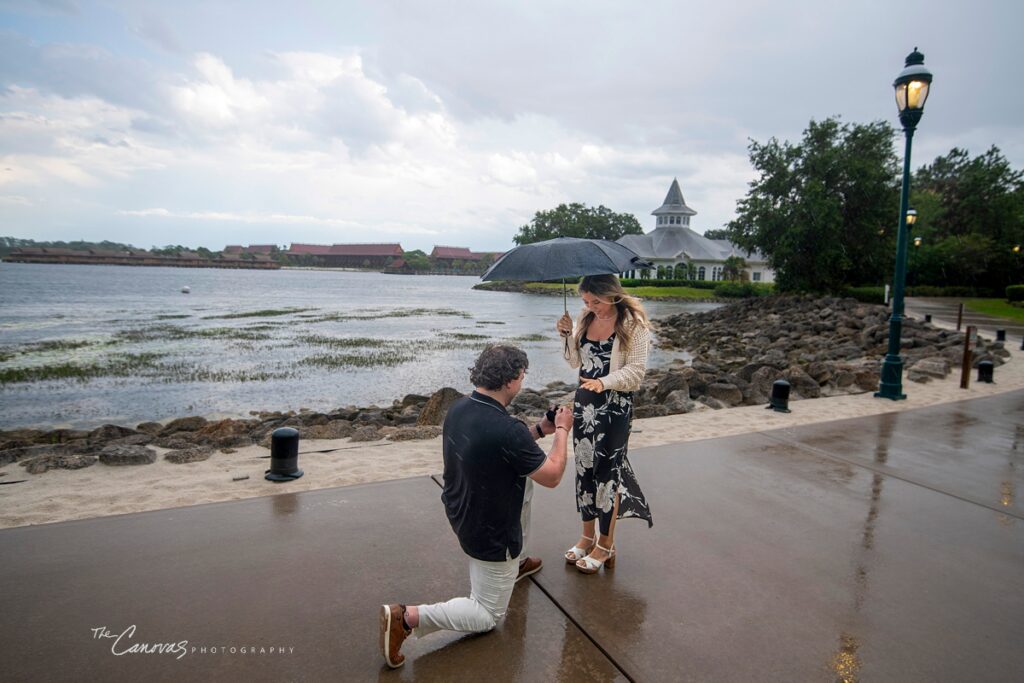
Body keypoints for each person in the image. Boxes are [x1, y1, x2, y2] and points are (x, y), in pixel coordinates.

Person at [380, 344, 573, 669]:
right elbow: (552, 475)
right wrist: (563, 430)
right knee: (486, 615)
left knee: (524, 480)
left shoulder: (460, 408)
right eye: (522, 377)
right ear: (511, 380)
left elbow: (501, 446)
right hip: (490, 535)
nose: (522, 383)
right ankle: (408, 618)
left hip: (461, 508)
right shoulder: (507, 430)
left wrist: (540, 430)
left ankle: (518, 562)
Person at [556, 274, 653, 574]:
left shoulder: (633, 325)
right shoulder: (585, 319)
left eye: (596, 301)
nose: (591, 307)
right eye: (586, 301)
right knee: (584, 470)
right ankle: (587, 537)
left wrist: (604, 382)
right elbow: (575, 363)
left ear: (612, 294)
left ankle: (606, 544)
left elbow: (636, 373)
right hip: (585, 406)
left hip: (614, 408)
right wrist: (566, 335)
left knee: (607, 475)